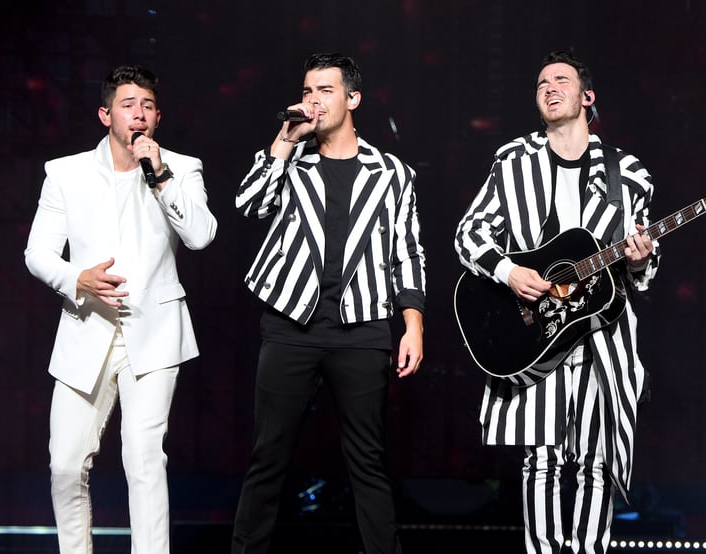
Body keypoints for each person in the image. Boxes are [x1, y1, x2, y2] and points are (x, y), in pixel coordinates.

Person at [454, 50, 660, 553]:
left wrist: (637, 259)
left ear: (586, 97)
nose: (548, 87)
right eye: (541, 82)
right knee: (540, 458)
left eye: (561, 80)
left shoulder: (627, 172)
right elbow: (468, 233)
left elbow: (648, 271)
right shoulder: (514, 161)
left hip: (600, 336)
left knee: (595, 459)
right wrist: (508, 270)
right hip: (536, 334)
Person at [231, 52, 426, 554]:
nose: (313, 101)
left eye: (325, 91)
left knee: (368, 459)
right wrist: (284, 143)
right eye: (307, 91)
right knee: (268, 456)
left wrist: (414, 325)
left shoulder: (392, 173)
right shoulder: (290, 160)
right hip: (290, 324)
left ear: (352, 99)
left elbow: (407, 251)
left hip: (362, 329)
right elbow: (248, 204)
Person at [24, 64, 217, 553]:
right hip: (86, 329)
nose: (140, 114)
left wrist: (162, 177)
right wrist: (77, 278)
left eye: (149, 106)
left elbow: (200, 236)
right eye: (129, 105)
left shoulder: (181, 167)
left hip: (153, 334)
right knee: (66, 465)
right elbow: (37, 253)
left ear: (157, 118)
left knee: (144, 457)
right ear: (105, 114)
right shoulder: (65, 173)